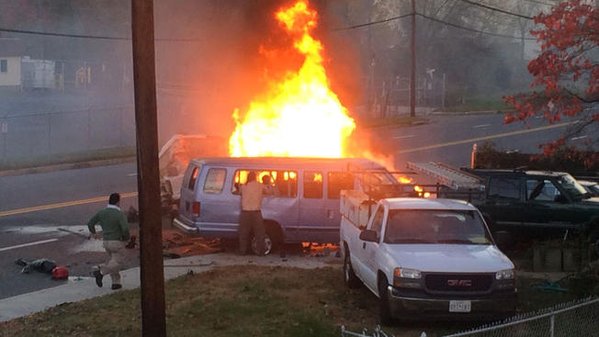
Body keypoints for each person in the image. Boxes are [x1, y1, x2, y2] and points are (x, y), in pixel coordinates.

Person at [87, 192, 130, 290]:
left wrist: (94, 233)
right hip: (117, 242)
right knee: (118, 262)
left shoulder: (102, 212)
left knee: (113, 262)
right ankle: (100, 272)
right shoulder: (119, 214)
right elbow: (125, 229)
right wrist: (126, 238)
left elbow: (90, 223)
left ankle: (116, 283)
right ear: (118, 202)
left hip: (106, 242)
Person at [238, 172, 266, 255]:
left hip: (245, 212)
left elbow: (239, 193)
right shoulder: (260, 185)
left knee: (243, 233)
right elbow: (269, 191)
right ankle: (261, 252)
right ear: (255, 177)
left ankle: (242, 251)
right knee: (259, 233)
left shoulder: (243, 186)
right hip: (256, 212)